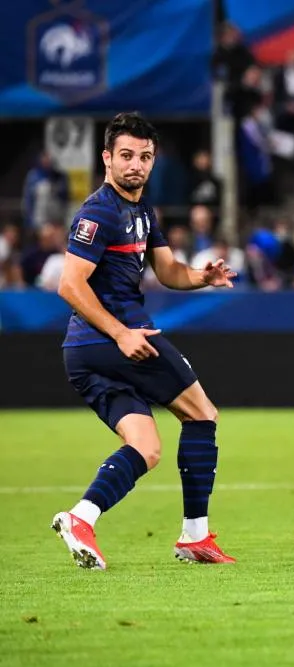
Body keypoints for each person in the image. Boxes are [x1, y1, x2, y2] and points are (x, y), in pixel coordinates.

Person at [52, 112, 237, 570]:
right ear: (107, 158)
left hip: (86, 353)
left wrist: (202, 277)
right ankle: (195, 536)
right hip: (117, 337)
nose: (136, 164)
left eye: (145, 157)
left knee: (146, 447)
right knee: (202, 413)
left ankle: (81, 518)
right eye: (127, 155)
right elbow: (69, 285)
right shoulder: (99, 211)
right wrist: (120, 333)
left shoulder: (141, 210)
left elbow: (168, 271)